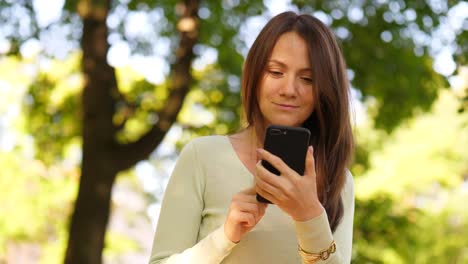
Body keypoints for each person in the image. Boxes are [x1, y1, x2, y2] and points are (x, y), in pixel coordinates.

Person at [149, 11, 354, 264]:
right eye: (276, 72)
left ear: (325, 90)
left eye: (307, 79)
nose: (289, 90)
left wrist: (309, 215)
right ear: (255, 76)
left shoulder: (338, 179)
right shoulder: (202, 157)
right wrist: (225, 237)